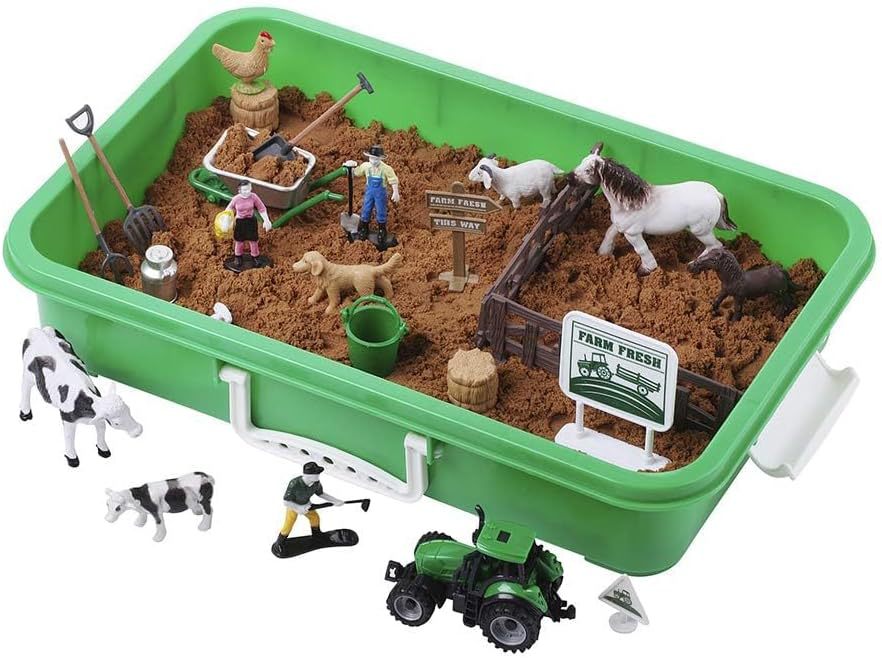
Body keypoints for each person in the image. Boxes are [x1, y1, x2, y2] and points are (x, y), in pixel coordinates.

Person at [273, 462, 343, 549]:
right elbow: (286, 501)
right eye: (317, 473)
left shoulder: (316, 483)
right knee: (288, 525)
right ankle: (280, 543)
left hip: (307, 505)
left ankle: (317, 536)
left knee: (315, 518)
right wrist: (298, 508)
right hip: (293, 506)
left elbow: (321, 494)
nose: (318, 476)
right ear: (309, 475)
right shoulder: (294, 483)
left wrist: (335, 501)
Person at [347, 145, 400, 247]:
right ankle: (364, 228)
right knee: (366, 209)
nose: (373, 161)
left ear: (380, 158)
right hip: (369, 192)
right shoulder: (366, 166)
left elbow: (393, 180)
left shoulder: (386, 169)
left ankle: (382, 230)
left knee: (381, 210)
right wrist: (351, 167)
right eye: (371, 158)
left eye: (376, 159)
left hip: (380, 193)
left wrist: (395, 192)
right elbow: (357, 173)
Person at [225, 179, 272, 269]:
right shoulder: (236, 199)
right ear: (239, 190)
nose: (247, 192)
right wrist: (226, 221)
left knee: (253, 241)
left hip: (251, 221)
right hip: (240, 222)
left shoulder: (254, 197)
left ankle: (255, 257)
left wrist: (266, 220)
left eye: (249, 189)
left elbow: (261, 208)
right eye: (245, 190)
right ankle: (238, 257)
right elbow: (229, 209)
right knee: (239, 241)